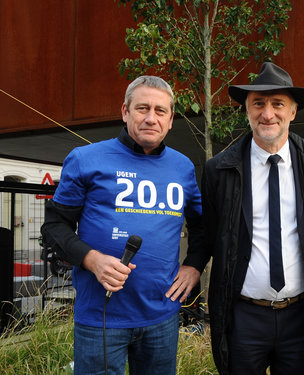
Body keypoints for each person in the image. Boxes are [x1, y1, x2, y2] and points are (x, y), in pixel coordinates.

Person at [183, 62, 304, 375]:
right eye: (258, 103)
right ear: (247, 110)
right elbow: (210, 232)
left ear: (293, 112)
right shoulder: (219, 170)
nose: (267, 114)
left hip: (301, 317)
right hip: (243, 318)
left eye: (277, 104)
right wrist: (192, 264)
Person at [41, 75, 203, 375]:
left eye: (160, 111)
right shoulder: (85, 159)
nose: (151, 118)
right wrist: (92, 259)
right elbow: (53, 226)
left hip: (161, 316)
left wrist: (193, 265)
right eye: (142, 108)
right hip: (100, 319)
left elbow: (202, 225)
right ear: (125, 112)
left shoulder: (183, 167)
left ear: (170, 121)